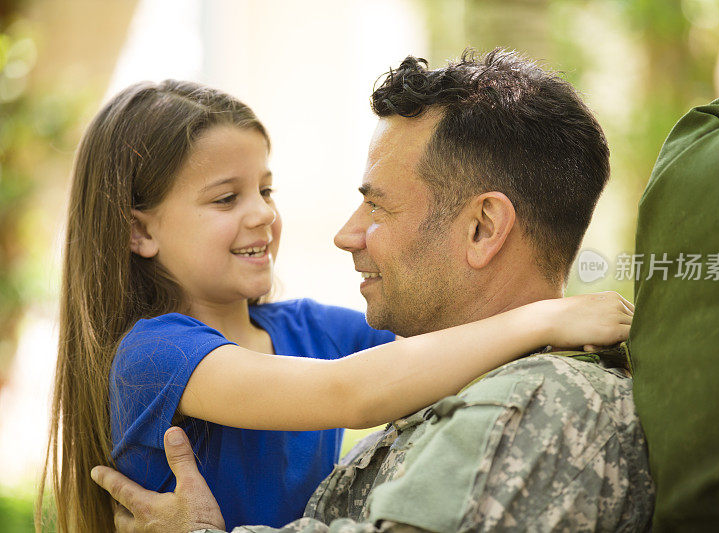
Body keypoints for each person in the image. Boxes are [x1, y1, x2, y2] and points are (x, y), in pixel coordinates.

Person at [91, 50, 655, 532]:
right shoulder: (155, 353)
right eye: (224, 199)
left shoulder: (307, 330)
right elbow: (350, 389)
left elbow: (423, 353)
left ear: (484, 227)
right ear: (141, 230)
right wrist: (546, 319)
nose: (263, 213)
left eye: (266, 189)